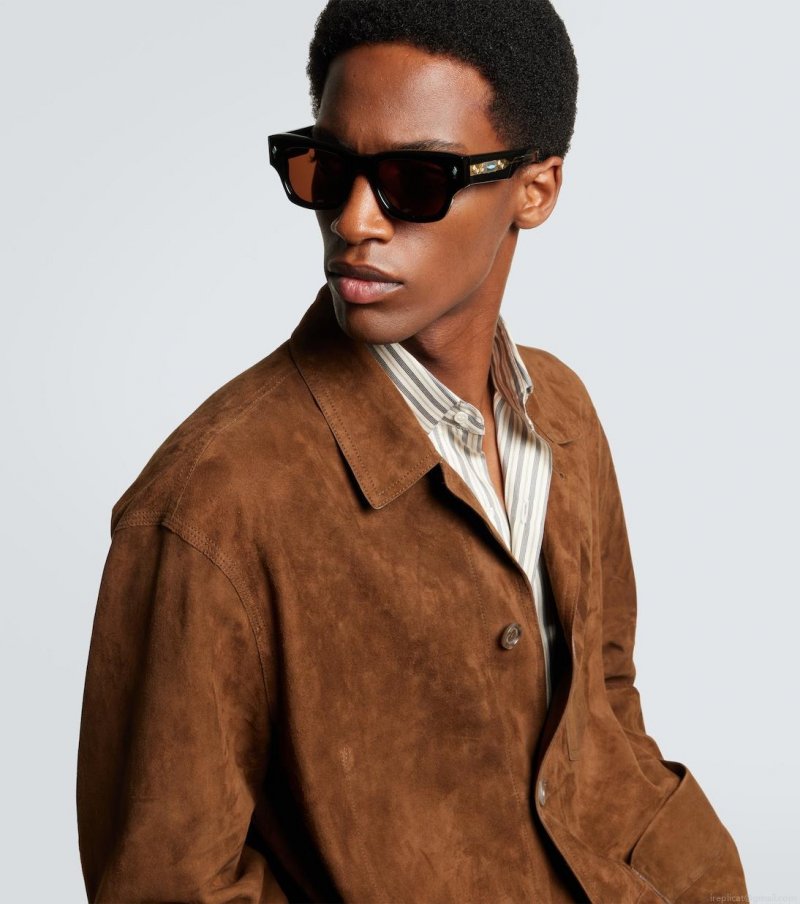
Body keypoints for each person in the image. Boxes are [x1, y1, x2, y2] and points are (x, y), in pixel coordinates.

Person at [76, 1, 749, 901]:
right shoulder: (210, 505)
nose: (355, 219)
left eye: (415, 180)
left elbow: (604, 698)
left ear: (536, 190)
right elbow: (167, 883)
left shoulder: (564, 417)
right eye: (329, 170)